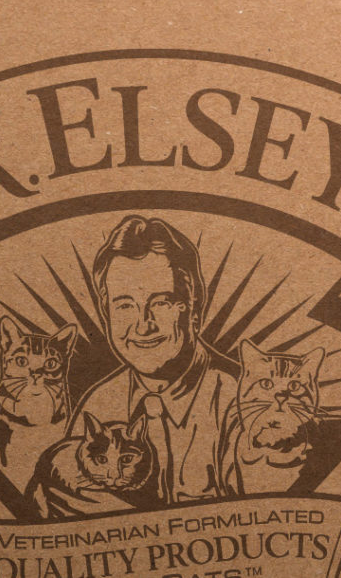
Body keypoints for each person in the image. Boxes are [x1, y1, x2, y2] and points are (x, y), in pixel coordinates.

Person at [71, 214, 240, 503]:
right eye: (124, 305)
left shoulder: (239, 396)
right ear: (105, 313)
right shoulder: (98, 403)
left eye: (161, 303)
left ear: (194, 306)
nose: (143, 325)